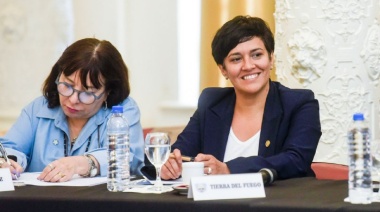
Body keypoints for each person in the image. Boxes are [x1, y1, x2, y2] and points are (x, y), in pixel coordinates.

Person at [161, 16, 321, 180]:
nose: (248, 66)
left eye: (257, 55)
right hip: (214, 204)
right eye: (236, 59)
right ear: (223, 69)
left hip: (277, 202)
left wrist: (229, 169)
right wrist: (169, 165)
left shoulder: (300, 103)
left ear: (271, 59)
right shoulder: (211, 102)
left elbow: (296, 160)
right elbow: (180, 152)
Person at [0, 38, 144, 182]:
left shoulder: (123, 111)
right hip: (39, 202)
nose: (73, 99)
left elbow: (129, 158)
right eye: (67, 86)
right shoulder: (38, 108)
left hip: (100, 203)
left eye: (87, 93)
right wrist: (8, 162)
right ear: (58, 76)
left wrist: (84, 163)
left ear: (108, 92)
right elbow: (11, 148)